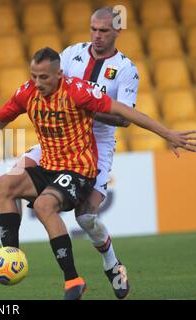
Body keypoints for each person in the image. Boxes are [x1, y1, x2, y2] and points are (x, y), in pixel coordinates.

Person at [0, 47, 196, 300]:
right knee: (3, 184)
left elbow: (125, 112)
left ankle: (74, 280)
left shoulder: (78, 92)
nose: (38, 82)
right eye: (34, 76)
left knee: (48, 207)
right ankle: (10, 259)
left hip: (79, 169)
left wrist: (167, 134)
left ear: (59, 74)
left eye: (44, 77)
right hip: (49, 164)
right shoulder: (27, 92)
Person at [13, 7, 140, 299]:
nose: (97, 36)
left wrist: (88, 107)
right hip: (60, 135)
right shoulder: (71, 54)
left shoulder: (125, 69)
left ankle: (112, 265)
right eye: (93, 29)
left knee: (85, 217)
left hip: (98, 143)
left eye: (104, 31)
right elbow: (48, 81)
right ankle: (11, 256)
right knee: (12, 177)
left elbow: (125, 118)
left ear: (117, 31)